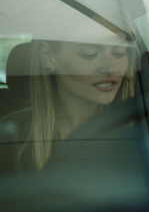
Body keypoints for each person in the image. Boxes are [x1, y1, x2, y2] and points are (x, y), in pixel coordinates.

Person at [0, 34, 137, 172]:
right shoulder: (9, 138)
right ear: (48, 57)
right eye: (90, 54)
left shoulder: (144, 132)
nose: (111, 67)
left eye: (119, 53)